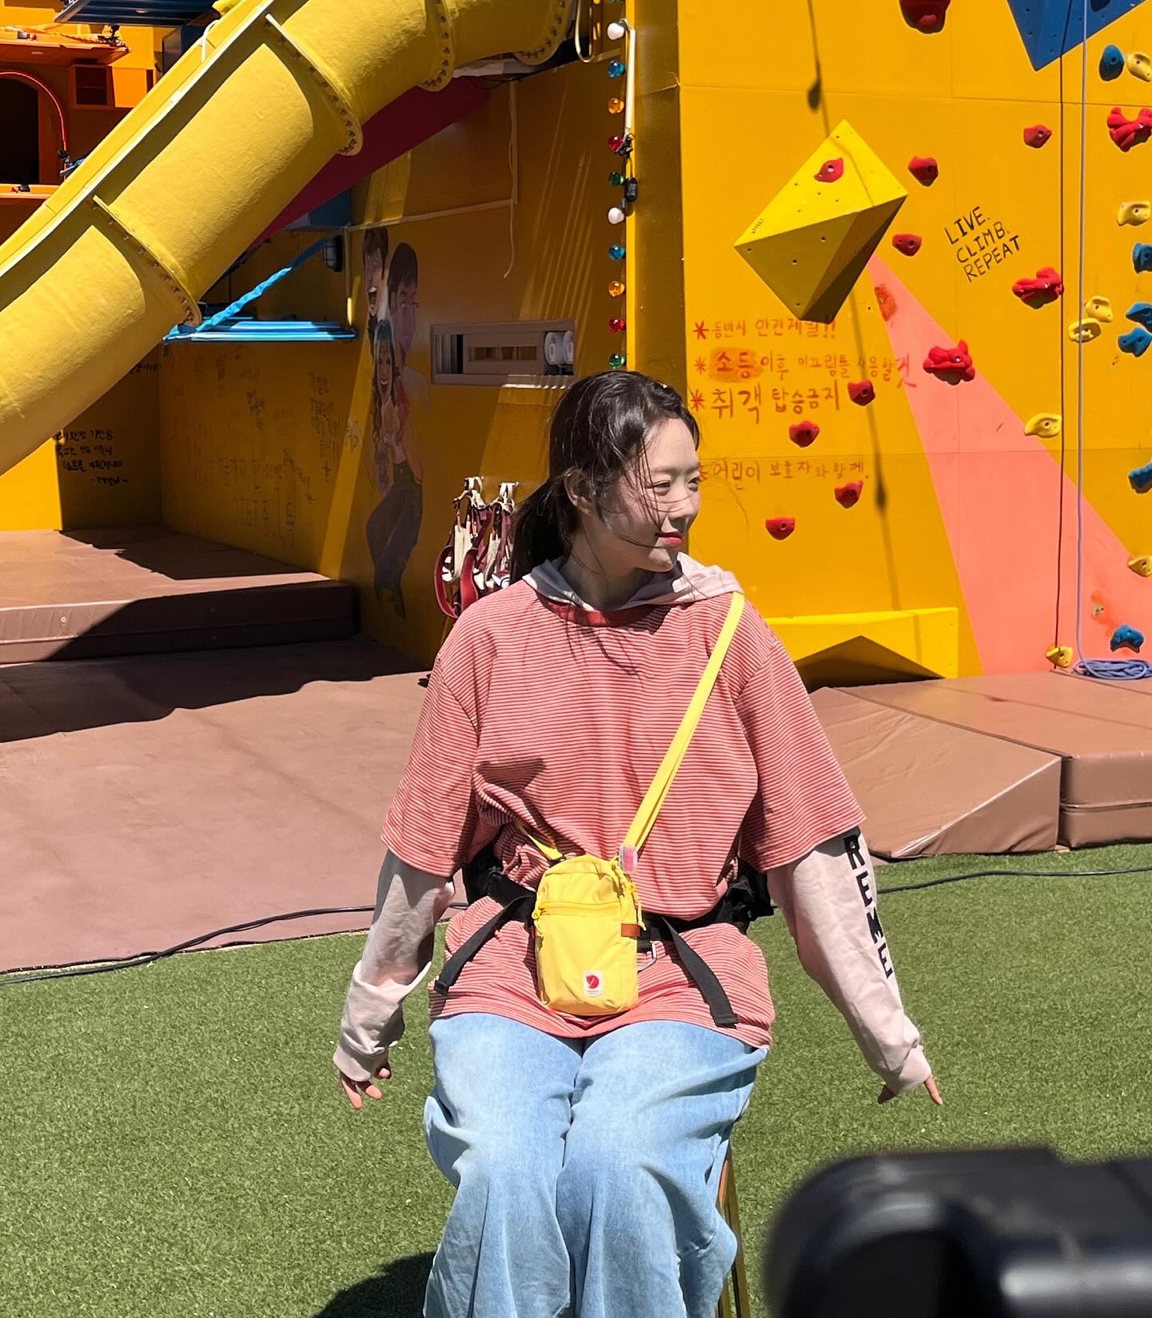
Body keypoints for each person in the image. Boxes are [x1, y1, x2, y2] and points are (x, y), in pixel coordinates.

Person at [335, 371, 940, 1318]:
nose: (685, 506)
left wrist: (888, 1034)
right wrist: (370, 1011)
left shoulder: (730, 634)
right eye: (661, 484)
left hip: (684, 973)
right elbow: (424, 848)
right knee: (504, 1171)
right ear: (581, 490)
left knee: (620, 1169)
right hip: (512, 970)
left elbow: (813, 847)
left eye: (694, 480)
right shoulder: (489, 638)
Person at [365, 241, 427, 615]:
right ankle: (390, 592)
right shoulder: (389, 390)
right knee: (376, 531)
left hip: (413, 483)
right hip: (405, 480)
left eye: (413, 304)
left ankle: (391, 589)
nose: (409, 316)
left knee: (392, 545)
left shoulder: (412, 385)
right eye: (401, 303)